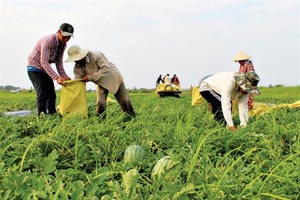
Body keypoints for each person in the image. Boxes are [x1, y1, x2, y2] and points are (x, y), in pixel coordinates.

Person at [65, 45, 135, 119]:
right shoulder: (77, 67)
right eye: (74, 60)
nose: (76, 61)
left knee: (124, 100)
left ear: (82, 56)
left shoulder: (96, 55)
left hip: (112, 77)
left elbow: (105, 68)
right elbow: (77, 81)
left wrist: (90, 77)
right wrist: (69, 84)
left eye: (77, 59)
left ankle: (131, 118)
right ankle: (100, 121)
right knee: (100, 102)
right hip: (100, 82)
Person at [27, 23, 74, 115]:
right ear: (59, 32)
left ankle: (52, 114)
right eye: (64, 36)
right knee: (42, 94)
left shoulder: (63, 45)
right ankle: (42, 117)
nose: (66, 39)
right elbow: (43, 62)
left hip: (45, 69)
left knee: (52, 94)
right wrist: (57, 77)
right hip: (34, 67)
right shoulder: (48, 41)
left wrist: (64, 76)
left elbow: (59, 62)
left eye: (68, 37)